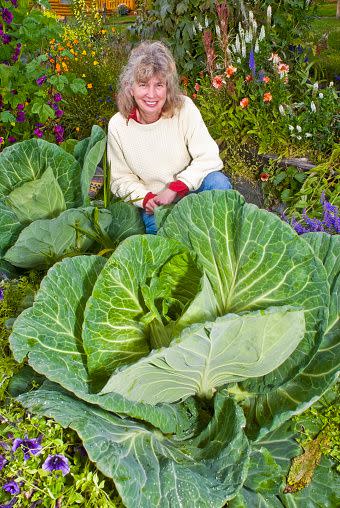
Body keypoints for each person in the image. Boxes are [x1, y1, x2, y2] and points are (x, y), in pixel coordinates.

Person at [107, 40, 232, 234]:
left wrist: (176, 188)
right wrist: (146, 199)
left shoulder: (184, 108)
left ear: (168, 88)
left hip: (191, 189)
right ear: (130, 88)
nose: (151, 94)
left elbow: (209, 157)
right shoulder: (118, 125)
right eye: (143, 85)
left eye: (159, 85)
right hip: (156, 203)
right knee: (165, 249)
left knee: (218, 183)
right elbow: (120, 179)